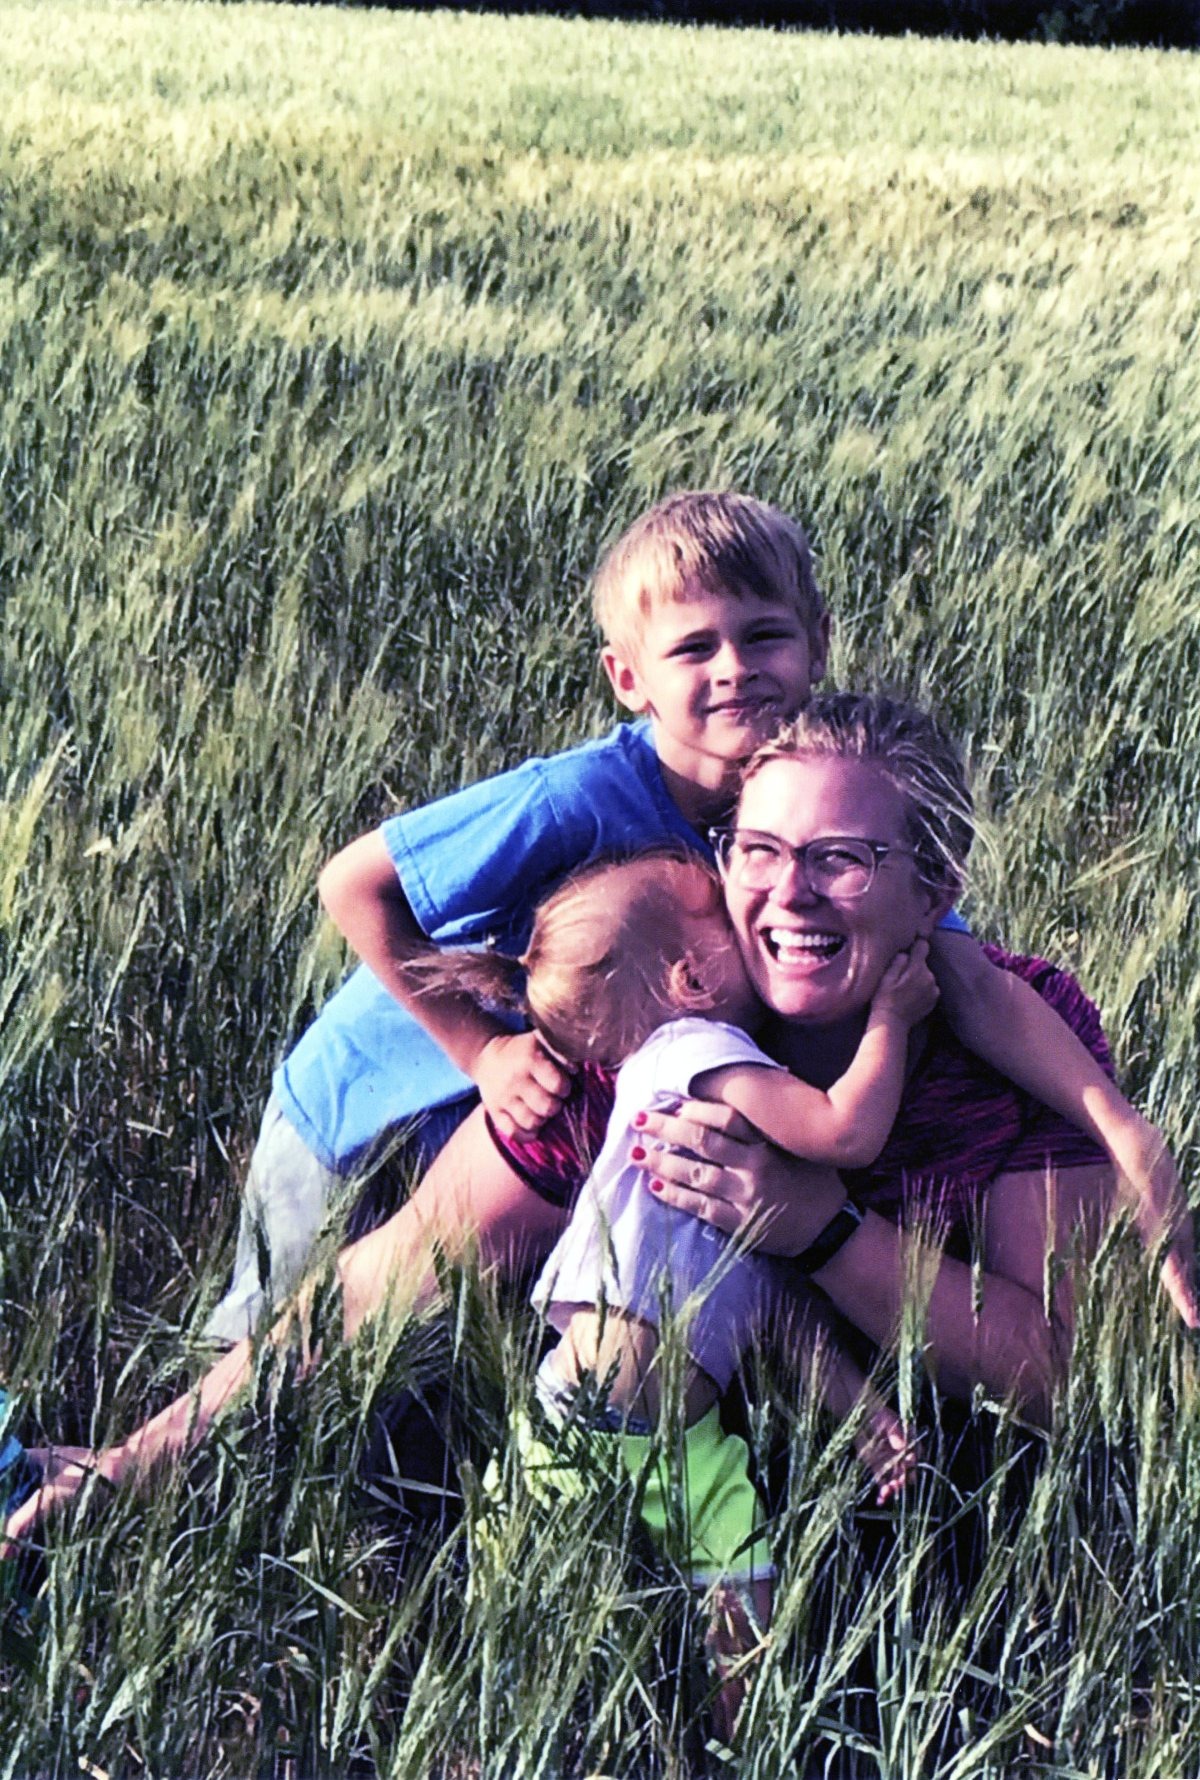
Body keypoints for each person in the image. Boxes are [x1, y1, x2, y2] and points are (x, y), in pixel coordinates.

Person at [206, 489, 1191, 1343]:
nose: (734, 668)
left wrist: (1120, 1126)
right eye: (694, 647)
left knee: (437, 1340)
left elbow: (964, 975)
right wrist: (481, 1052)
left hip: (527, 1111)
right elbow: (353, 886)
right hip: (368, 1096)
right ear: (628, 678)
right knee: (278, 1332)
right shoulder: (580, 799)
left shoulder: (809, 803)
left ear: (818, 643)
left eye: (764, 635)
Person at [414, 846, 932, 1734]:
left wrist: (861, 1411)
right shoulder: (693, 1052)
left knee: (726, 1600)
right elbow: (846, 1132)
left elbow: (767, 1296)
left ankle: (720, 1746)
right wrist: (892, 1016)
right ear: (692, 978)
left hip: (686, 1443)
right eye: (718, 912)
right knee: (528, 1627)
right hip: (581, 1422)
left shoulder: (715, 1123)